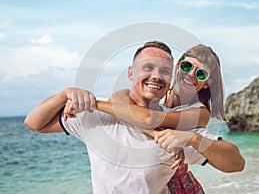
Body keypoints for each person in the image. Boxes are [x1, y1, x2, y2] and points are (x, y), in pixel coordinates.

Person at [24, 41, 212, 193]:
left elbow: (146, 118)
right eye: (148, 67)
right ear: (131, 72)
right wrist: (65, 94)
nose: (156, 76)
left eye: (164, 71)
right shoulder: (97, 115)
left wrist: (96, 103)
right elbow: (34, 123)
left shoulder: (192, 117)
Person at [64, 44, 245, 193]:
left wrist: (93, 103)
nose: (190, 75)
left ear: (208, 82)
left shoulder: (199, 112)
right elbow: (125, 105)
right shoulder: (156, 94)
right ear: (177, 67)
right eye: (187, 67)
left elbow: (148, 119)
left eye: (201, 74)